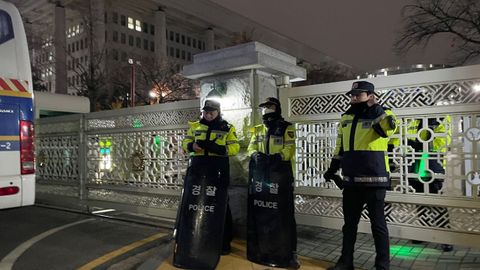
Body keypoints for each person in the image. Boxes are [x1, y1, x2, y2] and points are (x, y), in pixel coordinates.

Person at [324, 81, 397, 270]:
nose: (354, 97)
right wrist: (333, 168)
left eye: (359, 94)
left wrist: (375, 108)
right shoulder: (346, 117)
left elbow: (388, 130)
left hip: (375, 179)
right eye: (352, 94)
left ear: (370, 95)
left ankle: (382, 266)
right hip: (351, 179)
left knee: (378, 225)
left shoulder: (384, 113)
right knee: (349, 225)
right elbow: (340, 146)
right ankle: (345, 261)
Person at [173, 99, 240, 269]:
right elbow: (183, 145)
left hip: (217, 173)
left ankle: (223, 243)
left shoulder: (227, 127)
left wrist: (220, 149)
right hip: (197, 171)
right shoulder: (195, 126)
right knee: (193, 206)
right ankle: (190, 241)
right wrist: (191, 146)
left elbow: (235, 148)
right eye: (206, 112)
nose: (208, 115)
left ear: (218, 112)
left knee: (220, 207)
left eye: (212, 112)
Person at [247, 97, 299, 269]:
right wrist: (255, 155)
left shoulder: (286, 127)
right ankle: (262, 249)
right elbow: (251, 148)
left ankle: (287, 251)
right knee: (262, 212)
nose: (266, 109)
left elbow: (289, 149)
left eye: (270, 106)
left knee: (283, 215)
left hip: (280, 176)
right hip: (261, 176)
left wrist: (278, 157)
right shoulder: (258, 128)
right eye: (264, 107)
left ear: (277, 108)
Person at [406, 116, 453, 252]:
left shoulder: (442, 119)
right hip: (416, 167)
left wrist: (419, 143)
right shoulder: (414, 119)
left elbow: (441, 142)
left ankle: (445, 238)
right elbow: (406, 140)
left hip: (433, 168)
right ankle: (423, 233)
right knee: (421, 203)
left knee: (437, 203)